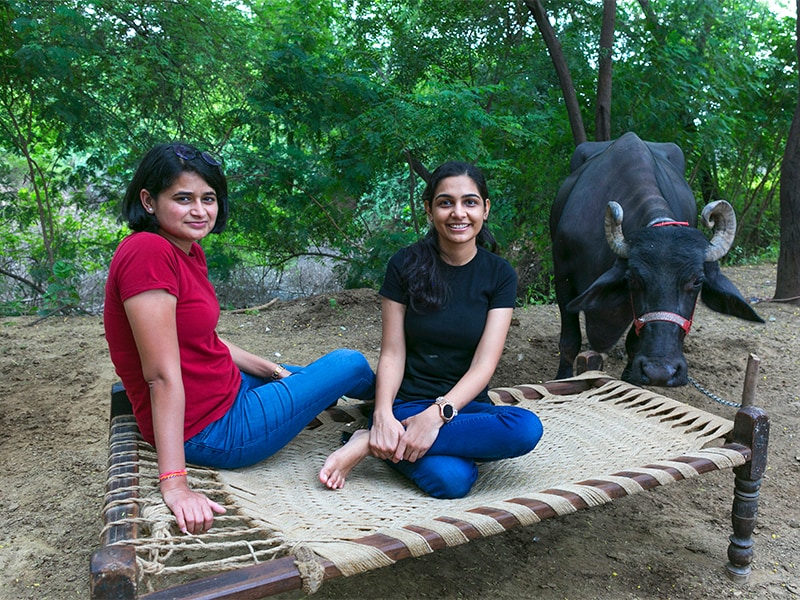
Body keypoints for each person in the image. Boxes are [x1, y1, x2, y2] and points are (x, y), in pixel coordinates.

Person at [104, 143, 375, 534]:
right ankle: (398, 407)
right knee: (348, 363)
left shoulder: (186, 250)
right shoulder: (148, 253)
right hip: (214, 428)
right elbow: (160, 376)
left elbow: (201, 338)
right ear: (148, 200)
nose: (200, 210)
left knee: (326, 384)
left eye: (208, 198)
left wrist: (272, 369)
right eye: (183, 198)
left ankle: (393, 405)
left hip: (228, 389)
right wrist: (176, 484)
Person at [319, 161, 543, 499]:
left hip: (464, 407)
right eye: (445, 202)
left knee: (526, 428)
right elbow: (393, 352)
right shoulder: (404, 264)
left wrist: (438, 416)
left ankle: (368, 443)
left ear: (485, 208)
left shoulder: (500, 274)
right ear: (429, 209)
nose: (458, 213)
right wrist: (381, 415)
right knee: (451, 480)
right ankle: (383, 432)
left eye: (469, 202)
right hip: (407, 404)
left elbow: (484, 364)